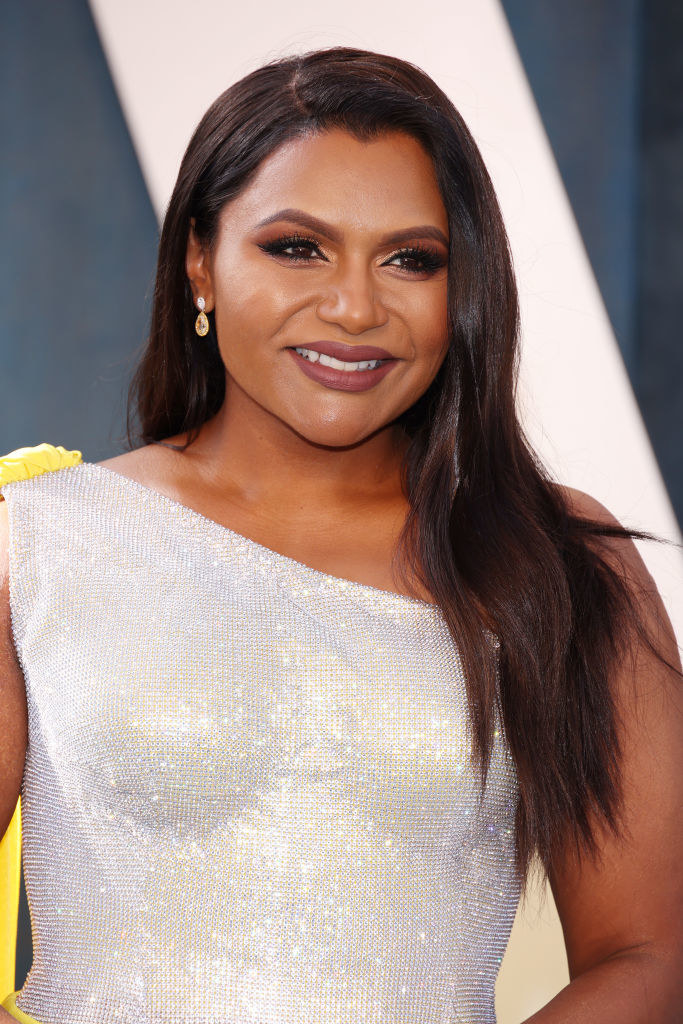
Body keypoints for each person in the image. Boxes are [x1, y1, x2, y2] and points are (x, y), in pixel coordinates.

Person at [0, 45, 681, 1024]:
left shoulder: (562, 558)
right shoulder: (40, 542)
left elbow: (649, 954)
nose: (355, 308)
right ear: (201, 259)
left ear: (464, 289)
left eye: (410, 259)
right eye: (295, 246)